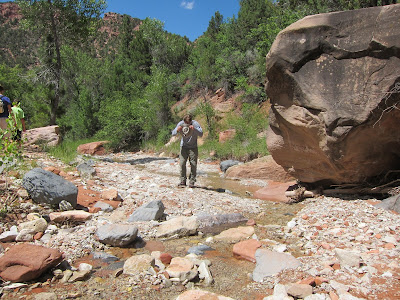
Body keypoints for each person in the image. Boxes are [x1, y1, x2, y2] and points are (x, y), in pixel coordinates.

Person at [172, 114, 203, 187]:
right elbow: (173, 133)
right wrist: (177, 130)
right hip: (184, 146)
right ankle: (182, 180)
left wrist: (194, 129)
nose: (187, 124)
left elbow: (201, 134)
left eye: (188, 123)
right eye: (186, 123)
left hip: (193, 147)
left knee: (193, 164)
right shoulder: (181, 123)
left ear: (191, 121)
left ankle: (192, 181)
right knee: (182, 163)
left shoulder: (195, 124)